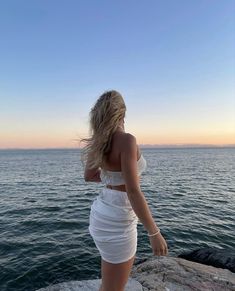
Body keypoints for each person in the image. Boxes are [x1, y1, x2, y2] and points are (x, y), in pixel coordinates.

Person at [81, 90, 168, 291]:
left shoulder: (100, 142)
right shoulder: (127, 140)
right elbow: (133, 191)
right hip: (118, 220)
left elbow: (89, 176)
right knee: (114, 288)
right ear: (122, 113)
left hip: (102, 212)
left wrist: (111, 177)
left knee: (110, 283)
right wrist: (154, 233)